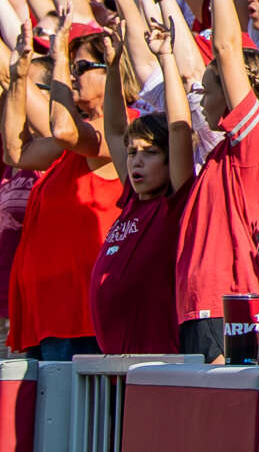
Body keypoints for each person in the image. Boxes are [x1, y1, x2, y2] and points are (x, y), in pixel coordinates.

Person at [173, 0, 259, 360]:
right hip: (202, 304)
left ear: (232, 93)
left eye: (208, 92)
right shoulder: (223, 152)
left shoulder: (256, 141)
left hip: (225, 301)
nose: (201, 101)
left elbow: (225, 47)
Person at [8, 25, 122, 360]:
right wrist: (17, 78)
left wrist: (57, 60)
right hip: (45, 316)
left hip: (78, 318)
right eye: (71, 69)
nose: (74, 76)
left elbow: (63, 129)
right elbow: (16, 153)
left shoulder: (121, 127)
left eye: (83, 67)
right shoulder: (67, 149)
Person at [89, 25, 181, 356]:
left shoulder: (174, 204)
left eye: (150, 152)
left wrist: (166, 58)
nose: (136, 162)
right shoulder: (132, 199)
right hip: (114, 364)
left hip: (154, 364)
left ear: (171, 159)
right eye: (132, 153)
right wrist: (113, 66)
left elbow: (178, 129)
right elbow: (114, 129)